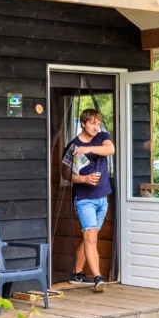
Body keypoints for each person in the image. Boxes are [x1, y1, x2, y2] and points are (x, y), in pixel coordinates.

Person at [63, 109, 114, 293]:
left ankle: (76, 274)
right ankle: (98, 278)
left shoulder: (102, 137)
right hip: (85, 200)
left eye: (98, 123)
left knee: (89, 238)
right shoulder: (72, 146)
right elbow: (65, 174)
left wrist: (89, 148)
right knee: (90, 237)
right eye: (92, 123)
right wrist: (83, 179)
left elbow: (111, 149)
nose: (96, 127)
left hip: (102, 199)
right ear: (83, 123)